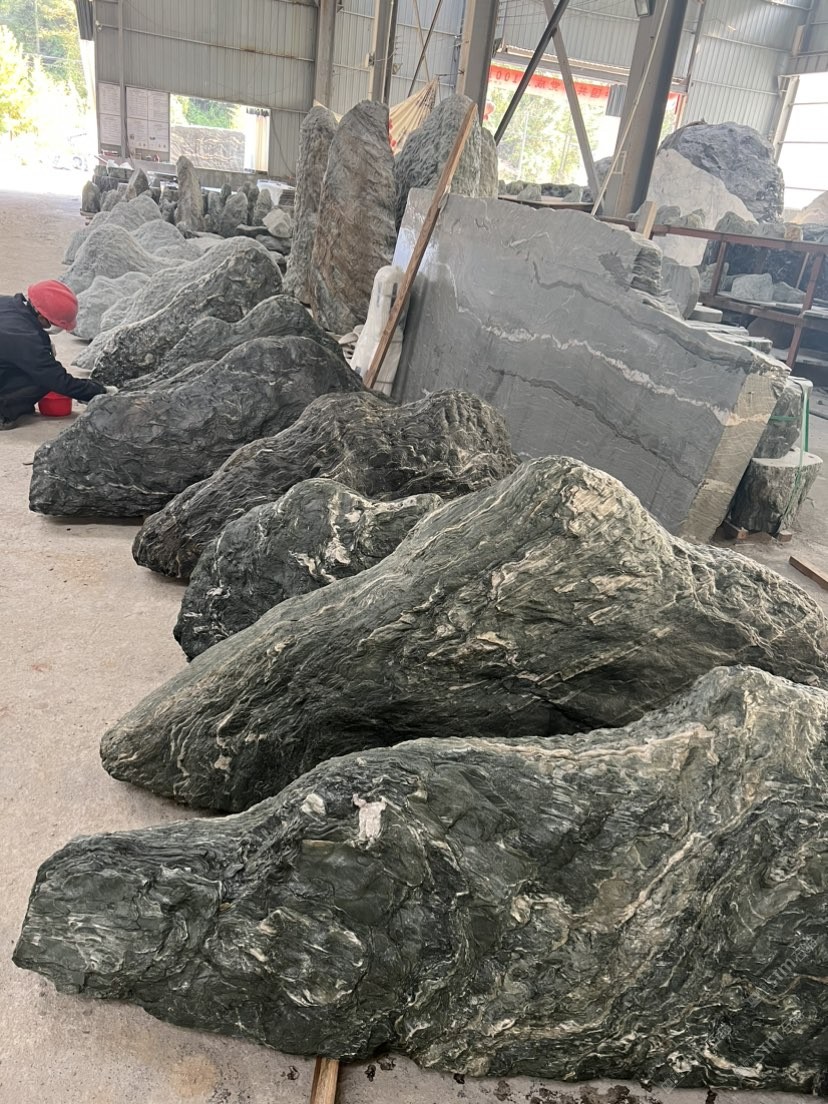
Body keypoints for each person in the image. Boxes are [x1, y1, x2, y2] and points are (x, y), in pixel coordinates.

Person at [0, 281, 116, 430]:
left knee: (33, 367)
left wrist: (42, 343)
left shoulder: (7, 304)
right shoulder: (25, 338)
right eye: (57, 324)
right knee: (41, 380)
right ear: (42, 317)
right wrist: (98, 391)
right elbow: (58, 380)